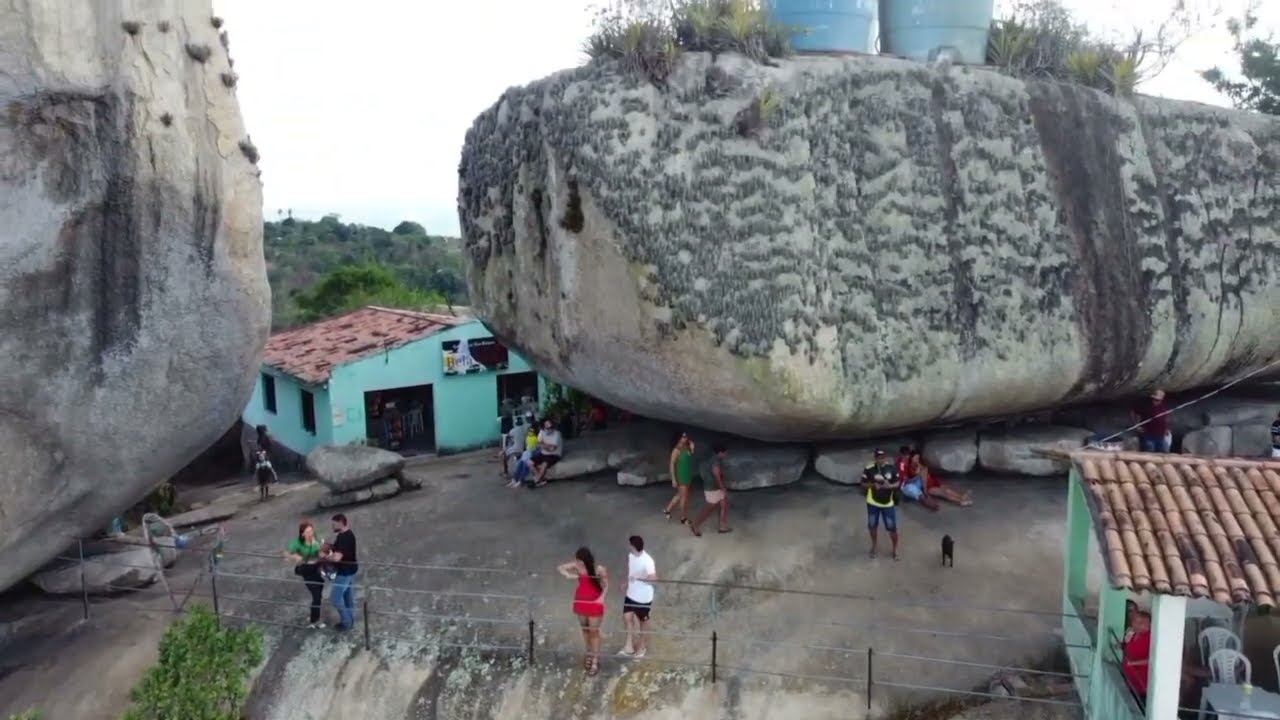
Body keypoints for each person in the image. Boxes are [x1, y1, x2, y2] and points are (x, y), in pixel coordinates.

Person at [558, 546, 608, 676]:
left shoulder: (599, 569)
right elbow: (561, 568)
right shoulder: (577, 566)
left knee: (594, 632)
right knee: (585, 629)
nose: (578, 562)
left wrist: (602, 599)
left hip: (594, 602)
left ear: (586, 559)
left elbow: (606, 585)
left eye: (580, 560)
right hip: (581, 602)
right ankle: (589, 653)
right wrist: (569, 575)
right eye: (577, 560)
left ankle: (595, 659)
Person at [619, 535, 657, 658]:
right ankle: (628, 646)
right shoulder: (631, 556)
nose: (629, 547)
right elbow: (632, 573)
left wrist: (642, 579)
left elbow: (653, 578)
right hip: (631, 593)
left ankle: (642, 646)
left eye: (630, 545)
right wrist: (626, 583)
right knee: (627, 617)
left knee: (643, 622)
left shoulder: (648, 561)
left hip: (643, 597)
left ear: (633, 546)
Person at [284, 520, 326, 628]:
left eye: (311, 530)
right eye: (307, 532)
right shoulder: (297, 543)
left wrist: (323, 551)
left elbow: (324, 547)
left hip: (317, 569)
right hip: (307, 570)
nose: (310, 533)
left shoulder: (317, 538)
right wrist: (294, 557)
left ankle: (314, 616)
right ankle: (315, 620)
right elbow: (285, 553)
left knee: (319, 593)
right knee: (316, 595)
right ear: (302, 533)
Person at [862, 449, 900, 560]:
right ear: (875, 458)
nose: (881, 459)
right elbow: (863, 483)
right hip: (872, 502)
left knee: (892, 527)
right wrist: (873, 485)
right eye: (879, 457)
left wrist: (889, 486)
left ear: (885, 457)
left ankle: (895, 549)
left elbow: (898, 483)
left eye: (883, 457)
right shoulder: (869, 469)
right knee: (872, 525)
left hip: (887, 503)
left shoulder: (891, 468)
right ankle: (874, 546)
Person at [326, 513, 358, 631]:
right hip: (350, 570)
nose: (332, 527)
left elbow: (336, 558)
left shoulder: (344, 537)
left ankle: (346, 622)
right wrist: (328, 546)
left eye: (333, 524)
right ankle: (351, 620)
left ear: (340, 523)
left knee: (335, 598)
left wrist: (324, 558)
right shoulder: (345, 535)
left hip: (344, 572)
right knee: (347, 597)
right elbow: (338, 548)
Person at [690, 445, 731, 536]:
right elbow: (717, 475)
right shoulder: (715, 461)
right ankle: (695, 525)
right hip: (713, 488)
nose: (726, 454)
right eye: (725, 452)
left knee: (725, 504)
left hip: (711, 486)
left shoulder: (709, 459)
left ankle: (722, 526)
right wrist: (722, 487)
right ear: (720, 452)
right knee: (708, 509)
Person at [663, 432, 695, 524]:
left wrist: (692, 448)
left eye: (686, 436)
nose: (685, 438)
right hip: (681, 476)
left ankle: (667, 510)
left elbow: (689, 457)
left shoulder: (686, 447)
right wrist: (673, 479)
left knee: (680, 495)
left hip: (688, 474)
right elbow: (671, 465)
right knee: (684, 497)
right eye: (683, 436)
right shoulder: (676, 450)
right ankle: (683, 518)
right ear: (679, 438)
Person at [1122, 610, 1152, 698]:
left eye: (1141, 623)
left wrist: (1132, 663)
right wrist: (1121, 645)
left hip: (1141, 683)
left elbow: (1152, 660)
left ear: (1148, 624)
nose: (1136, 625)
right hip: (1130, 680)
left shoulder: (1151, 638)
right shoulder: (1133, 634)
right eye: (1135, 622)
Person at [531, 420, 564, 487]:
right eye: (547, 428)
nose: (549, 429)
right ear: (544, 428)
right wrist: (547, 446)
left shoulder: (557, 434)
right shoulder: (542, 432)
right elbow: (537, 444)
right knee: (529, 462)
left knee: (545, 463)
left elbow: (552, 449)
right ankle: (541, 479)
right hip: (544, 453)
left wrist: (542, 444)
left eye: (550, 427)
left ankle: (537, 480)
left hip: (554, 454)